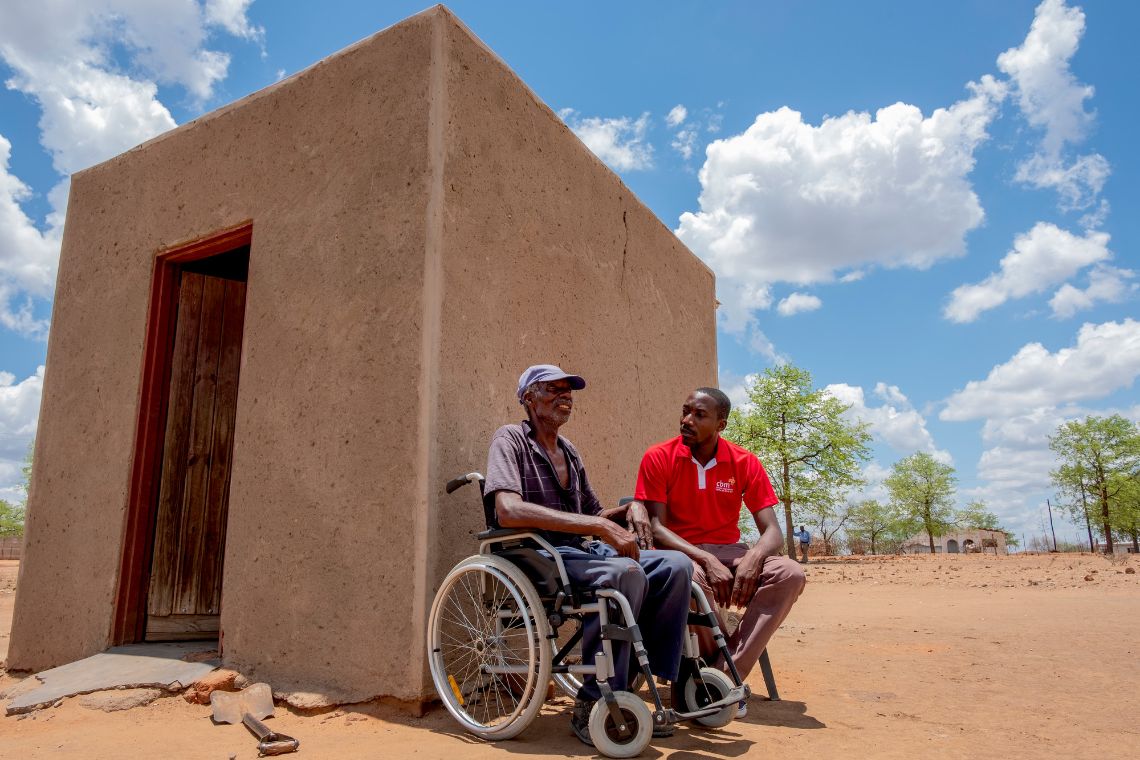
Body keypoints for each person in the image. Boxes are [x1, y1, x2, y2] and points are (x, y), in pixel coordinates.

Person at [483, 364, 692, 746]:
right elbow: (507, 510)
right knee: (624, 571)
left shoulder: (569, 450)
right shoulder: (510, 439)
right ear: (528, 398)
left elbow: (593, 514)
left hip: (581, 551)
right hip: (537, 553)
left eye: (569, 390)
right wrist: (597, 528)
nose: (566, 396)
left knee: (677, 565)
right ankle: (595, 700)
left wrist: (630, 510)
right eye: (554, 389)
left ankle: (636, 686)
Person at [630, 387, 805, 715]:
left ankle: (719, 678)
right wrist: (705, 558)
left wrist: (753, 558)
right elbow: (657, 528)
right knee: (689, 576)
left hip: (732, 553)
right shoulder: (659, 456)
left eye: (699, 415)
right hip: (680, 552)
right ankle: (717, 686)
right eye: (685, 412)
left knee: (790, 573)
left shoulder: (744, 462)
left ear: (720, 424)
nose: (687, 420)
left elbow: (773, 532)